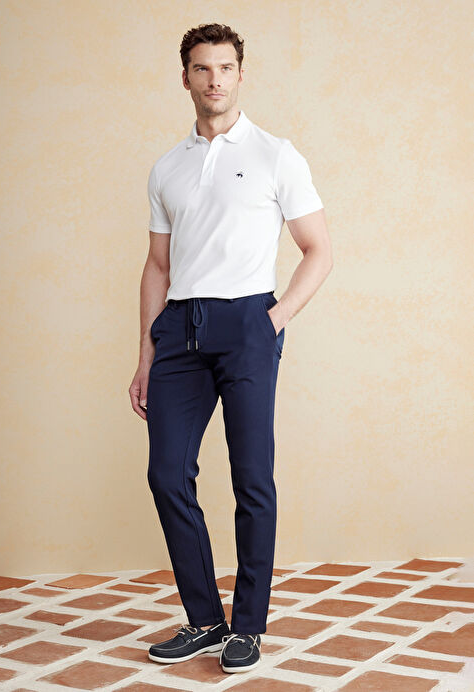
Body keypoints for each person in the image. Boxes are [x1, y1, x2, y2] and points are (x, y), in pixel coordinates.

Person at [129, 22, 333, 674]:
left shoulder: (277, 155)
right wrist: (145, 354)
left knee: (251, 479)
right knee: (167, 475)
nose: (214, 80)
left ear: (240, 74)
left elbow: (318, 250)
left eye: (224, 68)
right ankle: (204, 619)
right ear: (185, 77)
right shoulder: (168, 166)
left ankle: (247, 626)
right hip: (179, 331)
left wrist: (273, 320)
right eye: (201, 68)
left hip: (248, 323)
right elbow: (157, 265)